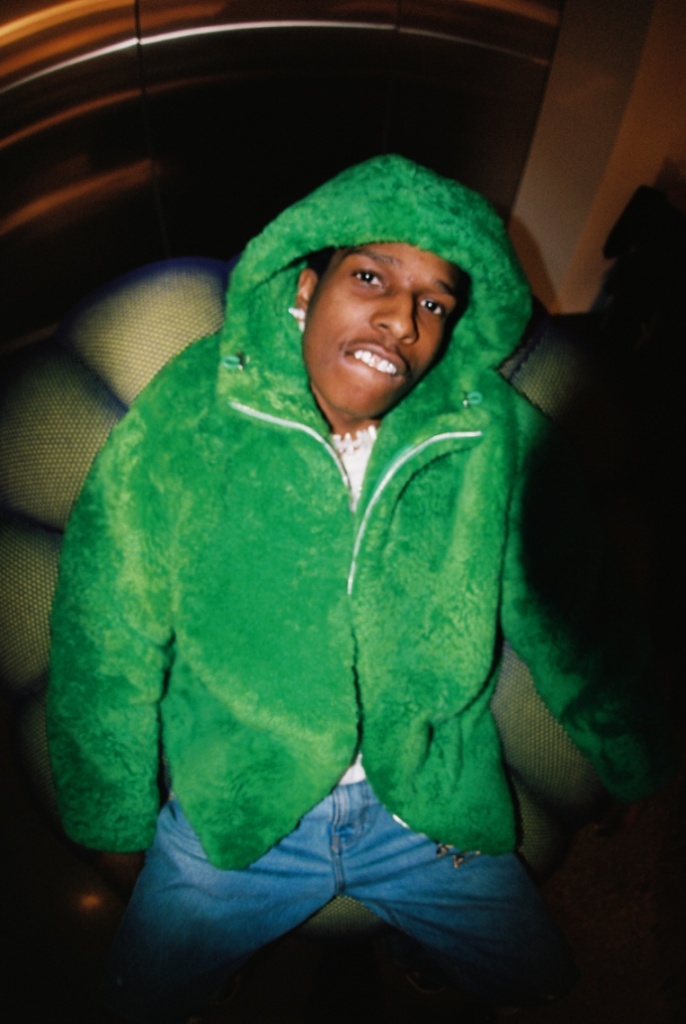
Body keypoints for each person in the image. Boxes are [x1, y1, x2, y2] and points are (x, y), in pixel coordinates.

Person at [47, 155, 669, 1023]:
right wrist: (110, 824)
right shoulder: (192, 413)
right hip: (237, 800)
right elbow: (104, 623)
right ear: (307, 289)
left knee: (539, 983)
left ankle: (421, 948)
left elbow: (578, 605)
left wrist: (631, 755)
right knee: (137, 998)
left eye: (434, 304)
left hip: (426, 805)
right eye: (371, 277)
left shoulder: (490, 437)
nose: (401, 318)